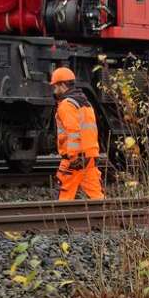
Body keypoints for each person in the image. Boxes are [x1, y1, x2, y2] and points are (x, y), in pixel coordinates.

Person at [51, 66, 103, 200]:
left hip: (76, 159)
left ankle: (62, 219)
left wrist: (73, 157)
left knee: (64, 196)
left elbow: (73, 132)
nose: (54, 90)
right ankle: (105, 219)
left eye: (55, 86)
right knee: (96, 197)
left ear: (62, 85)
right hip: (90, 156)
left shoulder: (66, 105)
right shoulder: (86, 103)